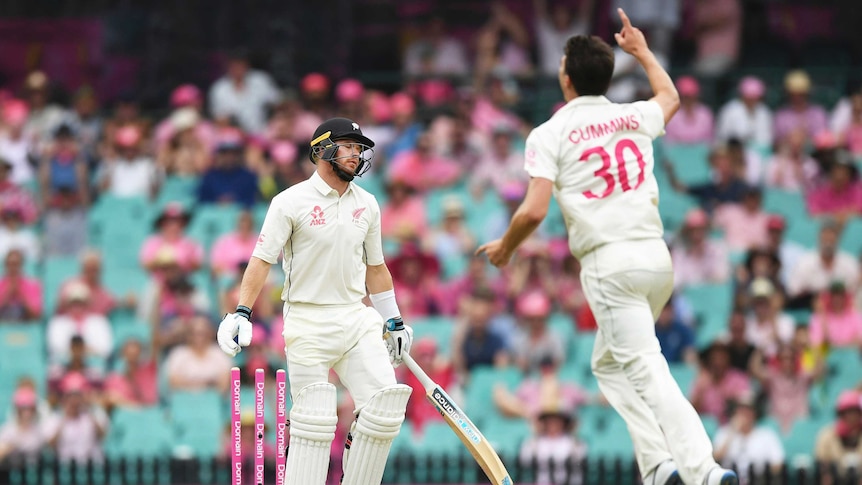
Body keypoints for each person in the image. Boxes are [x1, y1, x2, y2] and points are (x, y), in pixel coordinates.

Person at [476, 11, 738, 484]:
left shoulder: (549, 133)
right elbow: (671, 97)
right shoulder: (630, 114)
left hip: (609, 263)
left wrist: (506, 249)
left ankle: (703, 470)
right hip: (656, 261)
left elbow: (534, 211)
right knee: (608, 364)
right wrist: (641, 50)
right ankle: (658, 466)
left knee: (645, 368)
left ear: (566, 77)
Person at [216, 117, 413, 485]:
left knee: (385, 406)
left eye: (360, 148)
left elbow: (377, 268)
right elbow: (261, 260)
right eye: (348, 145)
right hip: (307, 322)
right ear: (322, 149)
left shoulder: (368, 204)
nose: (356, 154)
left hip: (356, 317)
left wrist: (394, 320)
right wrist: (242, 311)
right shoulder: (290, 202)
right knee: (314, 424)